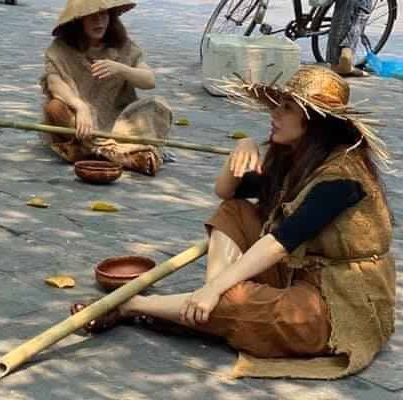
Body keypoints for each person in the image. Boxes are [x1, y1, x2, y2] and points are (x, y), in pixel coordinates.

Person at [72, 67, 394, 380]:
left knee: (237, 302)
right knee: (234, 212)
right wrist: (241, 148)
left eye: (286, 108)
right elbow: (226, 193)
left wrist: (215, 289)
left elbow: (278, 244)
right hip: (300, 270)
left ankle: (133, 305)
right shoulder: (296, 154)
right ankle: (212, 304)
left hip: (335, 303)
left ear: (315, 120)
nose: (274, 114)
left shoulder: (342, 177)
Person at [41, 0, 172, 176]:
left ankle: (99, 151)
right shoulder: (60, 48)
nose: (99, 22)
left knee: (157, 106)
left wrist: (121, 69)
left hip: (120, 124)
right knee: (55, 108)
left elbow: (149, 80)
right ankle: (116, 152)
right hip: (82, 124)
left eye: (104, 16)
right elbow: (54, 83)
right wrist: (80, 106)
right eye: (92, 17)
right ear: (78, 21)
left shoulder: (123, 46)